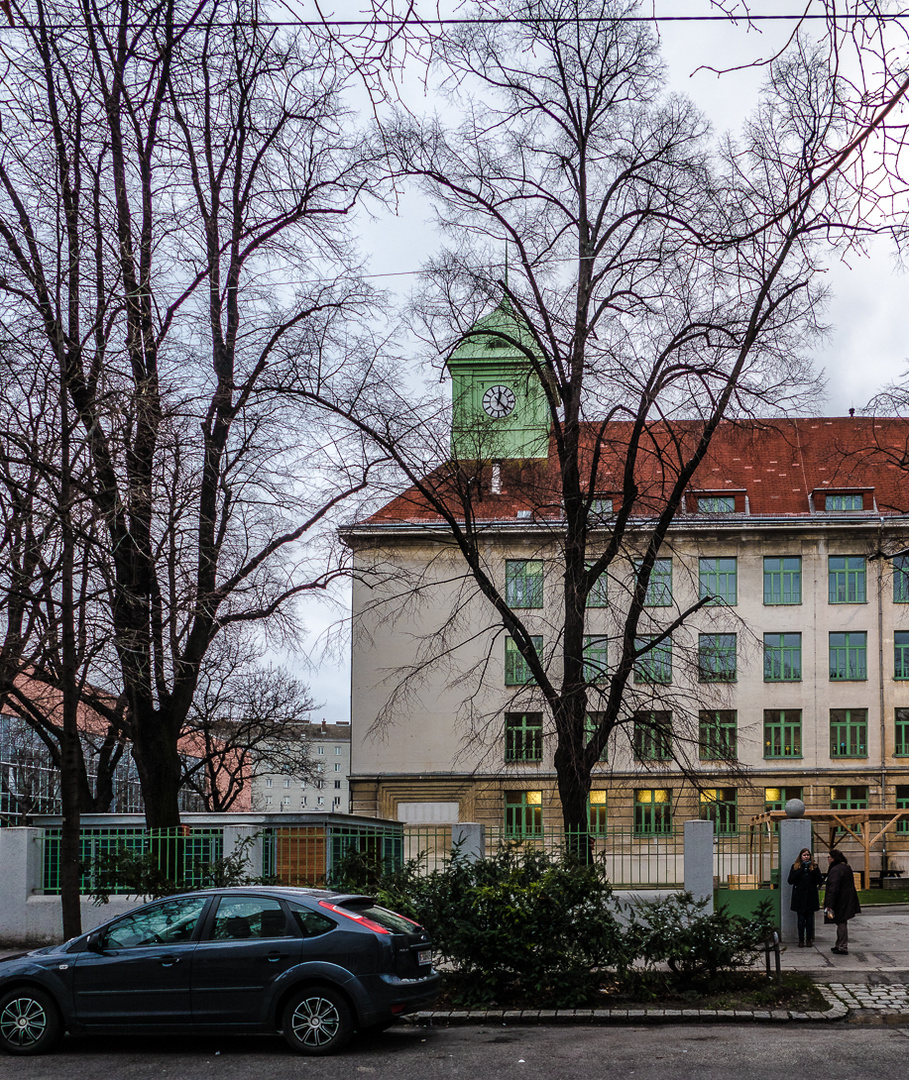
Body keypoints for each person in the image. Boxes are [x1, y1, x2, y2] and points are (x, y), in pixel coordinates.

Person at [824, 850, 861, 954]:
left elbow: (833, 888)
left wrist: (829, 904)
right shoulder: (845, 867)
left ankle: (842, 946)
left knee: (841, 922)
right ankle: (839, 944)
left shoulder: (835, 870)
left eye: (829, 857)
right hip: (846, 898)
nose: (828, 859)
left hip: (840, 900)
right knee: (842, 922)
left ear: (834, 858)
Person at [787, 847, 823, 946]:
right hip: (800, 897)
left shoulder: (814, 867)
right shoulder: (795, 867)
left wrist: (813, 871)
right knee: (801, 920)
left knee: (810, 920)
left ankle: (809, 939)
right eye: (804, 855)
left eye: (808, 855)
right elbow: (790, 880)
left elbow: (819, 880)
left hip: (811, 897)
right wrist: (801, 870)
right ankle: (801, 939)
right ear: (801, 856)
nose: (806, 857)